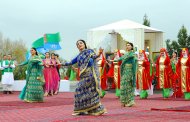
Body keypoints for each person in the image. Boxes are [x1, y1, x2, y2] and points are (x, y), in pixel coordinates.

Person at [62, 39, 106, 116]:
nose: (79, 44)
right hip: (83, 76)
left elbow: (94, 56)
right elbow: (71, 62)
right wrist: (60, 63)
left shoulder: (89, 51)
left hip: (90, 75)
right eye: (78, 44)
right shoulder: (79, 55)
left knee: (85, 91)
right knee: (81, 92)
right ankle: (83, 110)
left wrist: (99, 53)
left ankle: (91, 109)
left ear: (84, 44)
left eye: (81, 43)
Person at [111, 42, 137, 107]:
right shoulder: (126, 54)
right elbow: (120, 59)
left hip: (130, 71)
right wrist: (113, 60)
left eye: (129, 45)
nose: (127, 46)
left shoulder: (132, 54)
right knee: (123, 84)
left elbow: (133, 58)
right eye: (127, 45)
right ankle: (124, 101)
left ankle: (130, 101)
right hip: (125, 70)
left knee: (128, 85)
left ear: (131, 47)